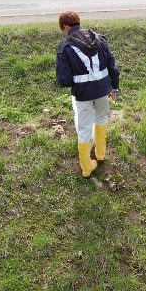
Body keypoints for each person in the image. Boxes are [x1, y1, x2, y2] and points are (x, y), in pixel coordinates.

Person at [56, 10, 120, 178]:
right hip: (104, 89)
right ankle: (100, 155)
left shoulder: (66, 46)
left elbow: (64, 80)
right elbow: (113, 66)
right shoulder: (100, 39)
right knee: (101, 119)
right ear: (78, 22)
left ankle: (86, 168)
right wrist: (115, 88)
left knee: (84, 129)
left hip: (83, 93)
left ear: (65, 26)